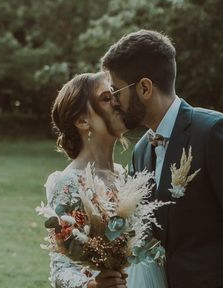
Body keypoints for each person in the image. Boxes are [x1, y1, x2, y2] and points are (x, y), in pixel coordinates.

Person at [101, 30, 223, 288]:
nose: (113, 102)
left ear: (145, 88)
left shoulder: (217, 134)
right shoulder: (141, 152)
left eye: (116, 91)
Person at [44, 72, 167, 288]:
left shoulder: (127, 174)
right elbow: (60, 269)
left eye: (115, 95)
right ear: (82, 121)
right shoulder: (69, 182)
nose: (118, 103)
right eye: (106, 98)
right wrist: (92, 285)